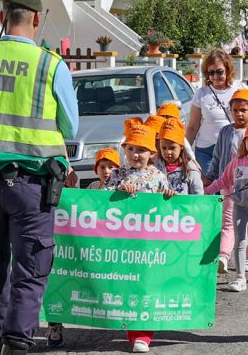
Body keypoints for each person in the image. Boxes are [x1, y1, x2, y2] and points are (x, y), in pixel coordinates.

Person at [0, 0, 78, 355]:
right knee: (31, 268)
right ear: (37, 19)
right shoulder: (50, 64)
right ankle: (16, 340)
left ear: (0, 17)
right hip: (32, 185)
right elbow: (71, 127)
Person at [106, 122, 170, 353]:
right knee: (126, 286)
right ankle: (128, 327)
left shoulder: (159, 176)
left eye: (141, 150)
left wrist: (169, 196)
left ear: (151, 153)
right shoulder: (117, 174)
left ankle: (143, 334)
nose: (135, 155)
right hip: (122, 243)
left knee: (146, 286)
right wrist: (117, 191)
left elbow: (168, 210)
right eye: (131, 149)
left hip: (149, 244)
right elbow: (99, 203)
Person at [206, 121, 248, 292]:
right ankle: (240, 277)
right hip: (239, 206)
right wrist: (208, 190)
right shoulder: (237, 162)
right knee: (240, 242)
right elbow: (224, 180)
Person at [205, 89, 248, 274]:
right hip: (229, 185)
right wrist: (211, 178)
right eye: (235, 110)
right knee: (228, 222)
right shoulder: (226, 132)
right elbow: (217, 156)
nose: (239, 114)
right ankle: (223, 256)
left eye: (243, 110)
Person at [186, 49, 244, 169]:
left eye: (219, 72)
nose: (215, 76)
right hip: (206, 150)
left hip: (234, 148)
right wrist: (185, 151)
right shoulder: (201, 94)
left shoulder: (240, 89)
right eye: (211, 73)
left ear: (228, 69)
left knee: (232, 186)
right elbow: (193, 126)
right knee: (210, 186)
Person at [156, 119, 204, 196]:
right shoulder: (155, 167)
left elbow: (198, 196)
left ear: (181, 146)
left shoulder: (190, 170)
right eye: (164, 148)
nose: (168, 152)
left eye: (172, 148)